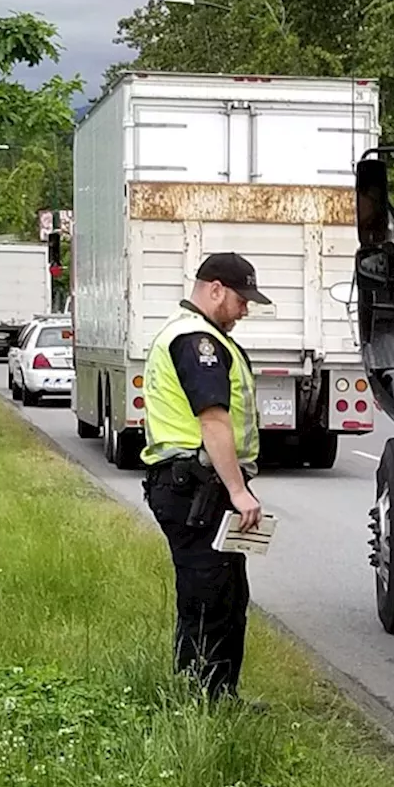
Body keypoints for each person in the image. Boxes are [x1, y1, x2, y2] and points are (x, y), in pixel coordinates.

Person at [141, 253, 269, 703]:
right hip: (196, 488)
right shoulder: (197, 341)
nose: (245, 310)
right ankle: (201, 700)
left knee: (227, 593)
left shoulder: (202, 335)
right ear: (215, 289)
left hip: (200, 486)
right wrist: (238, 490)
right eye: (241, 299)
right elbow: (213, 420)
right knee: (208, 595)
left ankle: (219, 694)